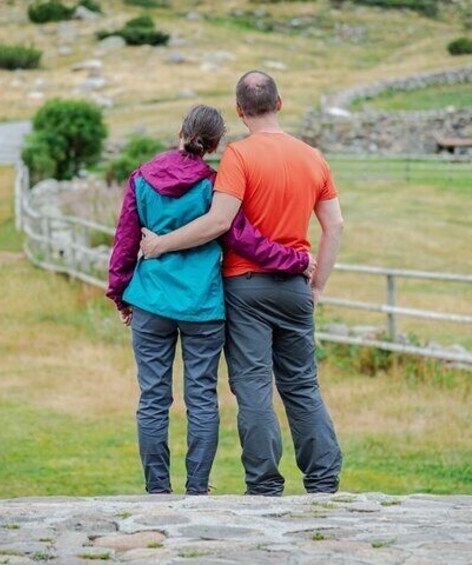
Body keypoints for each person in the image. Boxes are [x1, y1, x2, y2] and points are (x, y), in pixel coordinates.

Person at [140, 72, 345, 496]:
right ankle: (323, 481)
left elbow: (218, 222)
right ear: (280, 103)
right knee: (302, 384)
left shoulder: (239, 156)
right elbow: (335, 225)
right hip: (294, 286)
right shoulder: (313, 157)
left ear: (238, 111)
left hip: (245, 286)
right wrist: (318, 284)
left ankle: (265, 485)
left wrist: (160, 245)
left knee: (253, 385)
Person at [106, 104, 314, 495]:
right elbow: (245, 241)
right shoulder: (214, 187)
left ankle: (157, 490)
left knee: (153, 396)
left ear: (180, 132)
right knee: (201, 396)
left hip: (151, 302)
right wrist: (297, 260)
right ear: (215, 145)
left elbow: (124, 244)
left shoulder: (141, 180)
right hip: (202, 307)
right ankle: (197, 490)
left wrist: (120, 294)